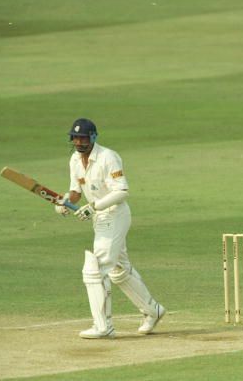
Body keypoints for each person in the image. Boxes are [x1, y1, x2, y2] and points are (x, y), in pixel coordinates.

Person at [54, 118, 166, 339]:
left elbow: (122, 191)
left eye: (83, 138)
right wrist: (65, 201)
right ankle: (153, 310)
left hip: (115, 215)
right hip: (100, 218)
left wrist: (93, 206)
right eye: (75, 138)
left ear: (93, 137)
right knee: (119, 271)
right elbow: (76, 190)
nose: (78, 142)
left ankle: (103, 326)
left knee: (96, 268)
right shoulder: (75, 160)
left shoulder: (108, 157)